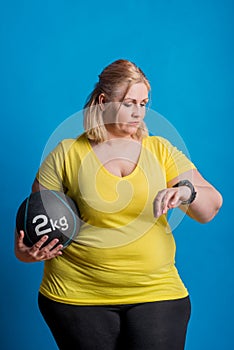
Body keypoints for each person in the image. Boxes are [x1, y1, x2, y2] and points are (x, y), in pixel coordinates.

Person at [15, 59, 223, 350]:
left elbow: (212, 206)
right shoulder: (66, 153)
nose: (139, 112)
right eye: (129, 103)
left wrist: (187, 193)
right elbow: (31, 228)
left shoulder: (160, 149)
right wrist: (27, 253)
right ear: (103, 101)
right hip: (77, 295)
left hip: (156, 291)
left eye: (144, 103)